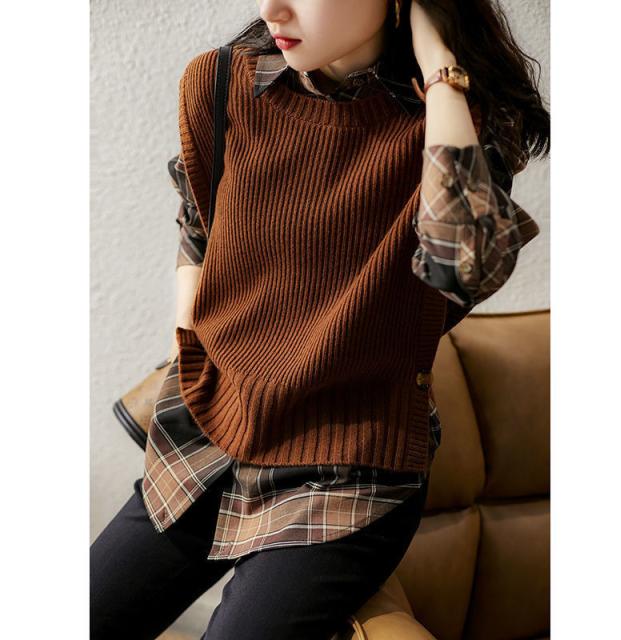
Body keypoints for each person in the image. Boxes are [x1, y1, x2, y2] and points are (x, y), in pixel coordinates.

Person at [90, 1, 550, 638]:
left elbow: (461, 267)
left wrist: (442, 72)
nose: (271, 9)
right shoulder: (221, 81)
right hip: (209, 436)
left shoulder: (455, 121)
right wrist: (190, 347)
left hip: (349, 472)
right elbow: (198, 220)